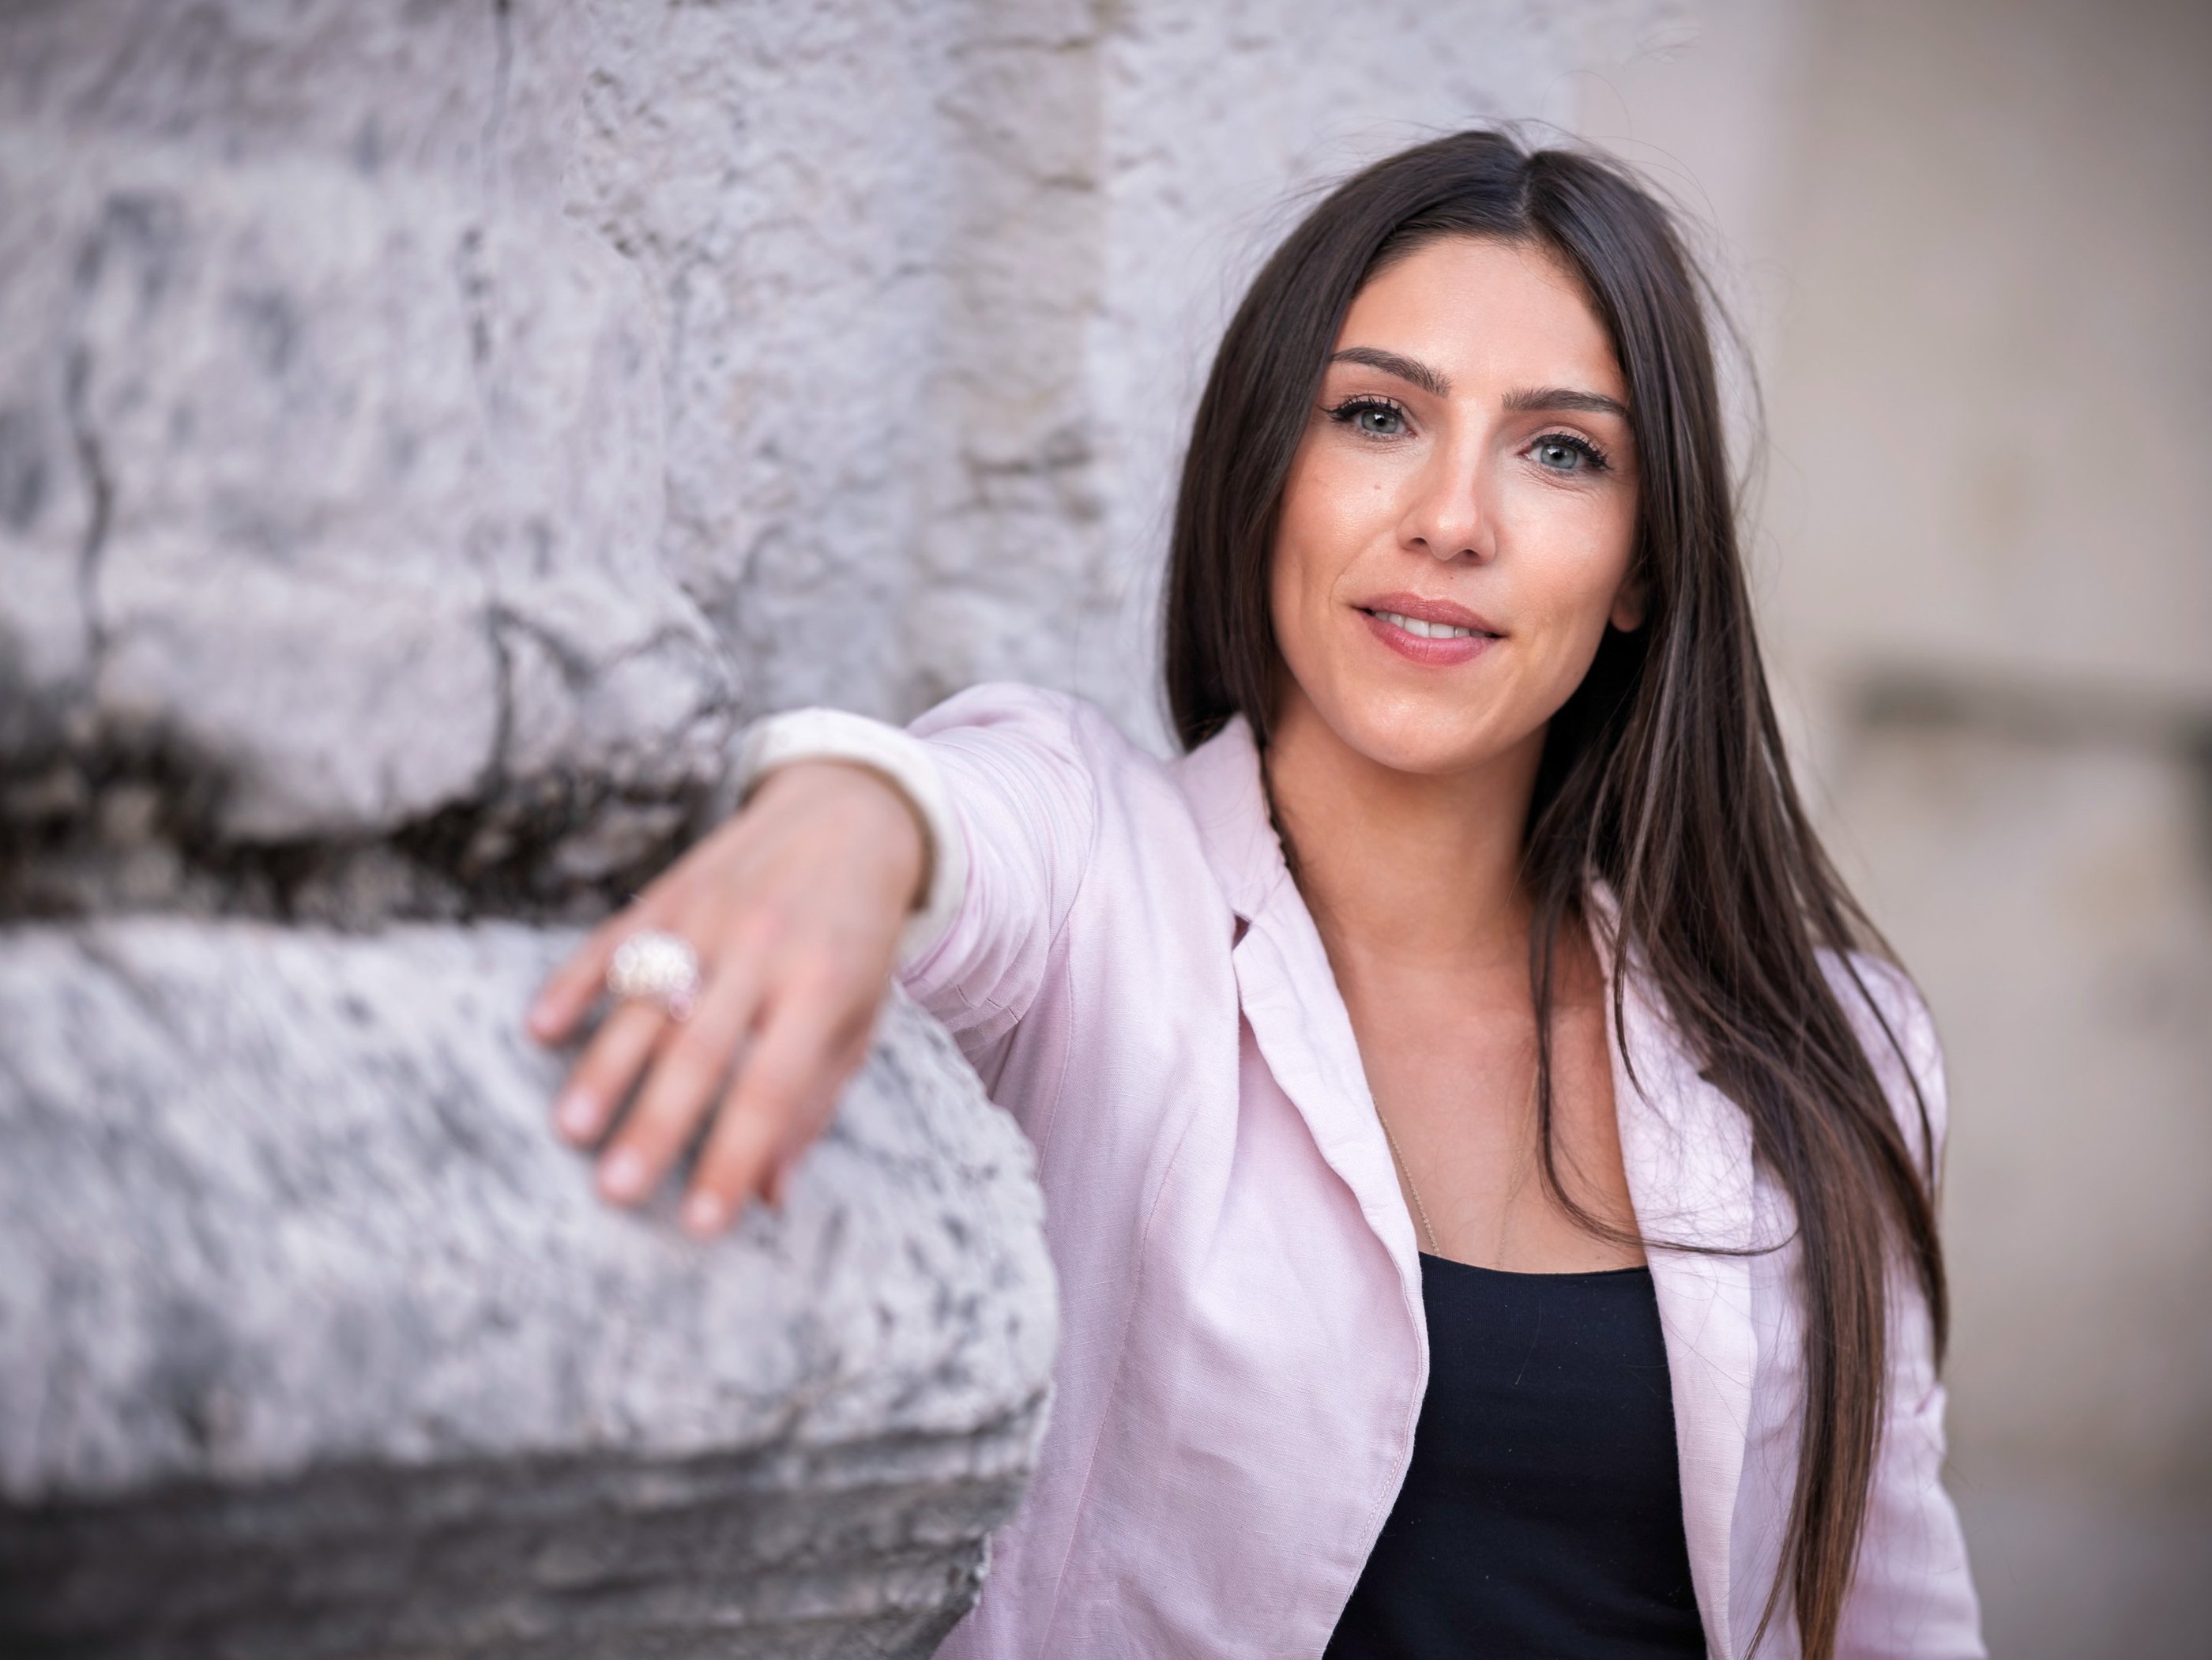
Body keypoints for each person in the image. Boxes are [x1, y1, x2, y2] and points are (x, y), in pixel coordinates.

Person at [525, 129, 1984, 1658]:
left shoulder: (1831, 1049)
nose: (1452, 518)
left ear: (1639, 565)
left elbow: (1889, 1611)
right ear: (1264, 471)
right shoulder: (1103, 876)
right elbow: (945, 818)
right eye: (1376, 415)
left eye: (1560, 450)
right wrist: (834, 821)